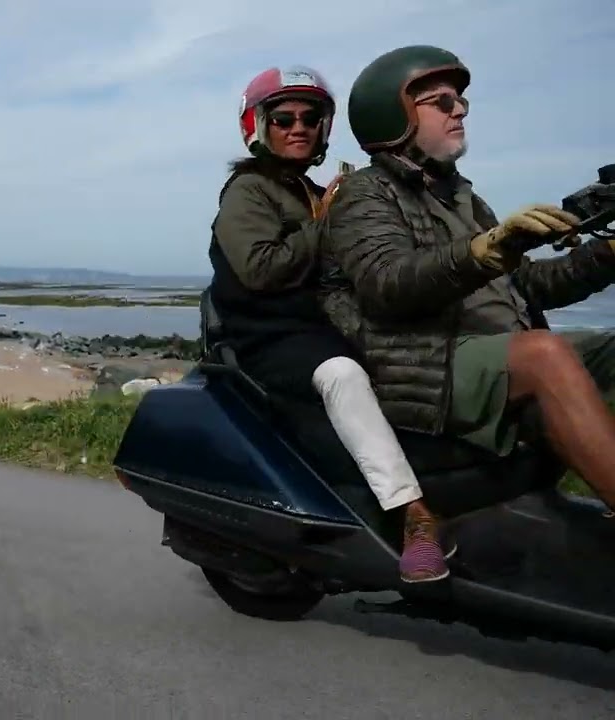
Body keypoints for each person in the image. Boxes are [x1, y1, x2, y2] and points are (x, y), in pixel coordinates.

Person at [320, 44, 615, 510]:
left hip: (497, 353)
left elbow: (530, 286)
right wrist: (485, 250)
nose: (459, 109)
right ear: (392, 114)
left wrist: (609, 252)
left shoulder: (463, 198)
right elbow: (387, 285)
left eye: (460, 102)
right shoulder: (365, 193)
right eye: (441, 102)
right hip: (429, 364)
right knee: (544, 353)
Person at [207, 66, 452, 583]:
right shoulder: (248, 192)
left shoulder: (310, 190)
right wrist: (327, 222)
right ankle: (414, 517)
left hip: (319, 325)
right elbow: (261, 268)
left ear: (324, 126)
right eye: (283, 118)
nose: (298, 127)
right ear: (259, 126)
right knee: (342, 373)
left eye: (310, 116)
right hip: (269, 336)